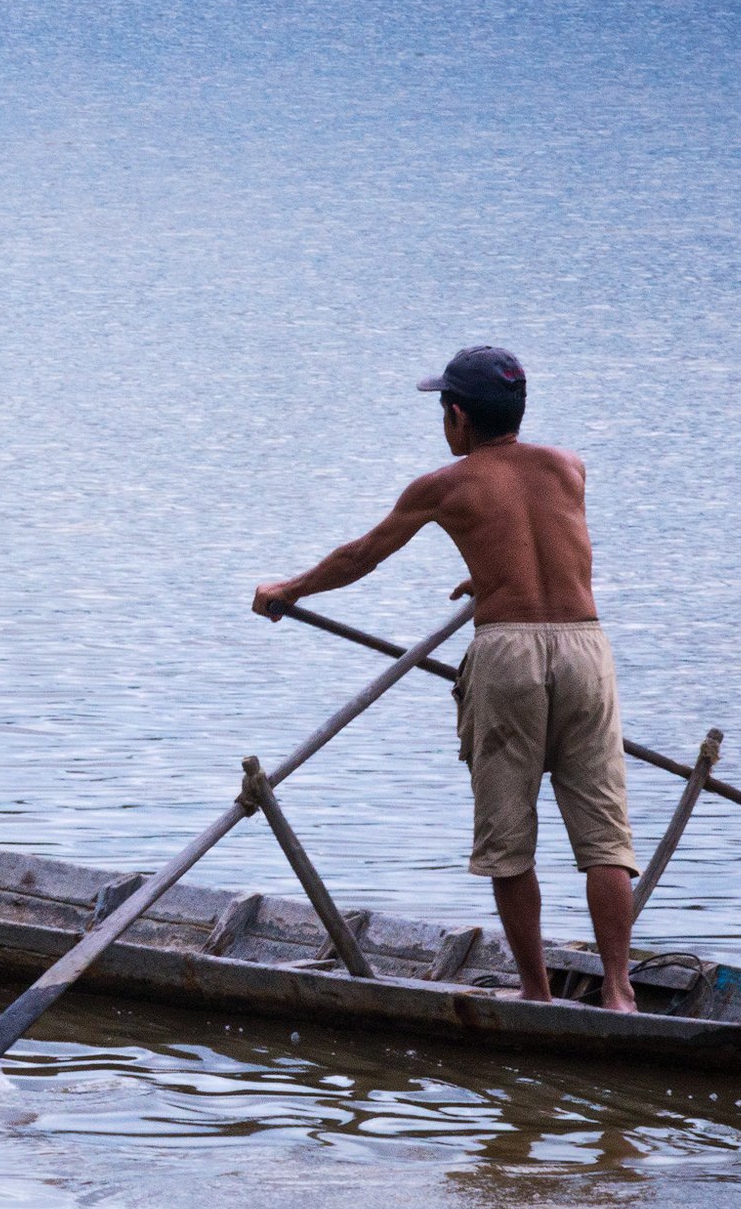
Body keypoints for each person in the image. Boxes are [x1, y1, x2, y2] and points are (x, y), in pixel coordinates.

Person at [251, 345, 642, 1010]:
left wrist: (291, 589)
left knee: (507, 832)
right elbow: (548, 542)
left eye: (442, 408)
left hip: (508, 655)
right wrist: (498, 572)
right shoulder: (569, 468)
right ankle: (620, 992)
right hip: (586, 648)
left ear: (457, 416)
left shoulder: (446, 485)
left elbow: (361, 555)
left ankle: (536, 993)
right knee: (605, 838)